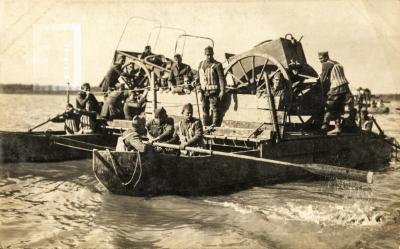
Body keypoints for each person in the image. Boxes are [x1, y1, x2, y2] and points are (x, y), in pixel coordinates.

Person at [318, 51, 352, 134]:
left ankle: (324, 127)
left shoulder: (326, 64)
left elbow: (322, 80)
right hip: (345, 87)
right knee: (338, 108)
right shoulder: (337, 63)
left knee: (328, 106)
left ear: (326, 57)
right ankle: (338, 128)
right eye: (319, 59)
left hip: (336, 87)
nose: (320, 60)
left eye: (321, 58)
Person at [197, 46, 226, 126]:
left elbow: (221, 79)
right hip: (204, 91)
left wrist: (222, 91)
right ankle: (205, 125)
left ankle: (214, 125)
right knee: (204, 108)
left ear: (213, 54)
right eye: (207, 55)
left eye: (210, 54)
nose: (209, 56)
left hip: (214, 92)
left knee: (215, 108)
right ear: (205, 54)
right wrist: (196, 84)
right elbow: (198, 77)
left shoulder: (217, 65)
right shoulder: (201, 64)